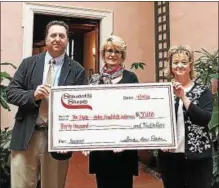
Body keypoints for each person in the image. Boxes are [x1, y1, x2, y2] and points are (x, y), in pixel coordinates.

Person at [6, 20, 85, 188]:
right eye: (53, 35)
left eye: (61, 36)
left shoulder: (77, 70)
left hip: (57, 139)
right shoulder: (28, 63)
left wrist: (70, 139)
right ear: (46, 39)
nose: (57, 39)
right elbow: (11, 92)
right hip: (26, 134)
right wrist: (32, 95)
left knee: (53, 185)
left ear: (66, 40)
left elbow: (81, 106)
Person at [82, 35, 139, 188]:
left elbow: (136, 109)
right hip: (101, 145)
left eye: (117, 52)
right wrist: (86, 140)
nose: (112, 55)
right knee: (103, 183)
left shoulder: (131, 78)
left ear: (122, 56)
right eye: (109, 51)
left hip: (124, 145)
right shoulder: (94, 79)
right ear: (103, 54)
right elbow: (89, 111)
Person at [158, 45, 213, 188]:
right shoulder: (163, 91)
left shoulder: (203, 91)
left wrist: (184, 98)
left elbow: (204, 119)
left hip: (198, 157)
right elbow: (157, 121)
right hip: (170, 158)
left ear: (190, 66)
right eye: (175, 62)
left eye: (184, 62)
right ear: (170, 66)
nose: (179, 65)